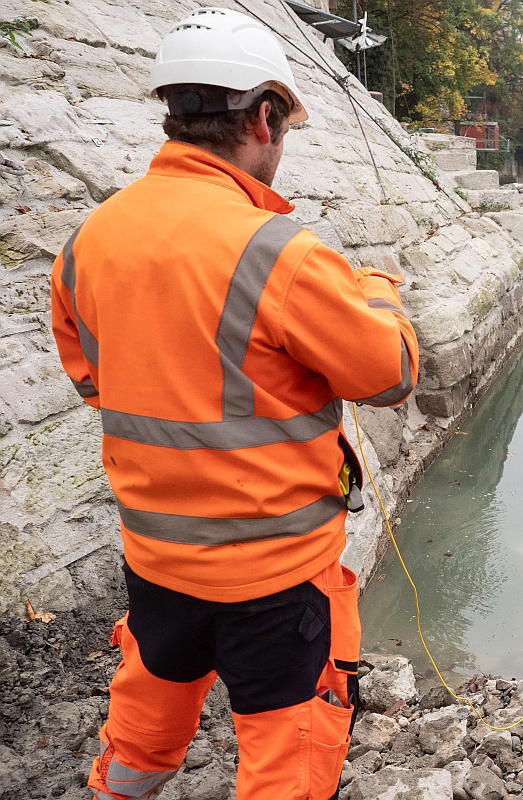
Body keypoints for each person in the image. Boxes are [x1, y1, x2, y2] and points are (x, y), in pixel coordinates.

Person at [49, 8, 419, 798]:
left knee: (141, 740)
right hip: (275, 580)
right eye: (282, 127)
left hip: (156, 565)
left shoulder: (90, 240)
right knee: (285, 766)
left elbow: (95, 384)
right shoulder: (280, 253)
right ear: (263, 116)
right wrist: (379, 293)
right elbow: (389, 374)